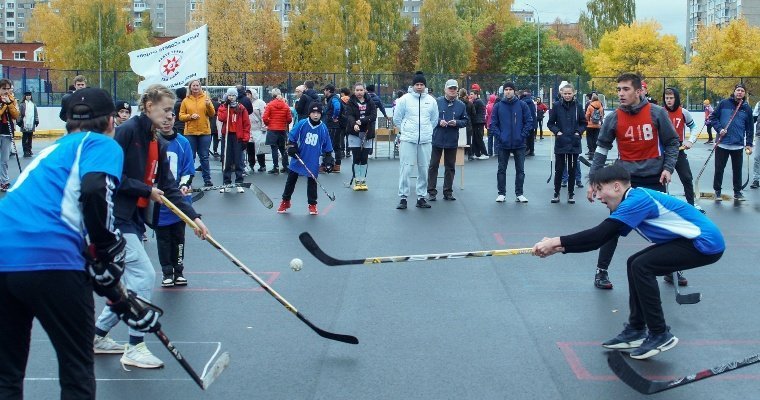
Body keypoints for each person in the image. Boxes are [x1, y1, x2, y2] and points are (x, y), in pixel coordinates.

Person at [0, 88, 162, 399]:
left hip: (4, 257)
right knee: (76, 370)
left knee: (7, 374)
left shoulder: (51, 151)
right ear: (112, 121)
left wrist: (103, 272)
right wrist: (105, 250)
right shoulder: (101, 144)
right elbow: (94, 189)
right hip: (50, 258)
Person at [533, 165, 724, 360]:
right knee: (635, 262)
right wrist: (557, 248)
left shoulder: (636, 201)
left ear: (616, 187)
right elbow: (600, 239)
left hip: (705, 243)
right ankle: (636, 330)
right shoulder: (631, 200)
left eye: (600, 189)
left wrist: (555, 242)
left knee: (642, 266)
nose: (598, 196)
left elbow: (598, 236)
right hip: (689, 240)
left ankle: (660, 334)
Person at [94, 84, 209, 370]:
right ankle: (135, 346)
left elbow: (169, 187)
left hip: (133, 219)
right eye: (167, 110)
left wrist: (194, 218)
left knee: (127, 286)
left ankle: (96, 336)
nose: (172, 116)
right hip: (113, 217)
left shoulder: (159, 141)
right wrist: (145, 189)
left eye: (173, 111)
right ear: (148, 106)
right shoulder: (128, 131)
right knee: (144, 275)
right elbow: (108, 175)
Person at [587, 73, 679, 290]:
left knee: (665, 226)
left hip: (654, 178)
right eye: (618, 89)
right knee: (614, 226)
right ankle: (601, 271)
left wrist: (668, 168)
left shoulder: (657, 113)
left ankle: (670, 268)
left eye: (626, 89)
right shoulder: (613, 118)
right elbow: (601, 149)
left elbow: (673, 142)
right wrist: (593, 180)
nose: (620, 93)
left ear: (639, 91)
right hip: (626, 182)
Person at [155, 111, 194, 287]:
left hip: (178, 199)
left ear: (174, 119)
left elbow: (188, 169)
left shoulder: (183, 142)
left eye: (169, 118)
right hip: (159, 200)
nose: (166, 122)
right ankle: (167, 272)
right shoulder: (152, 141)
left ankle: (179, 271)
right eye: (163, 119)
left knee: (178, 237)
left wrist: (184, 185)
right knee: (163, 238)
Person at [276, 104, 334, 215]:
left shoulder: (323, 128)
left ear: (321, 114)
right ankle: (285, 201)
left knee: (312, 182)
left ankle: (312, 204)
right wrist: (292, 147)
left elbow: (327, 145)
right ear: (309, 113)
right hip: (299, 157)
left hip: (313, 159)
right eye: (313, 113)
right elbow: (292, 137)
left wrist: (328, 157)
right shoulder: (302, 123)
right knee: (291, 181)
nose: (316, 115)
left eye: (318, 113)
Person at [393, 71, 439, 210]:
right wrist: (405, 130)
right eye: (417, 84)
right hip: (408, 139)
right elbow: (397, 118)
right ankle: (403, 197)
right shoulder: (404, 100)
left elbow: (434, 120)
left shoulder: (431, 101)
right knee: (406, 169)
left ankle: (421, 197)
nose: (419, 87)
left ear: (425, 86)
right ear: (413, 85)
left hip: (425, 140)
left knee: (424, 170)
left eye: (422, 84)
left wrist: (427, 131)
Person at [708, 83, 754, 201]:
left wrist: (748, 143)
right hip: (722, 143)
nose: (739, 92)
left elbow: (750, 127)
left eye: (742, 91)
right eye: (738, 90)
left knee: (737, 170)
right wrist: (719, 129)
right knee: (719, 169)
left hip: (738, 145)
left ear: (744, 94)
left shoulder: (747, 108)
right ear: (734, 92)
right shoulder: (724, 103)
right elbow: (713, 117)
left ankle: (737, 192)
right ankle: (717, 191)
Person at [490, 81, 533, 203]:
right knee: (501, 169)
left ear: (514, 91)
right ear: (503, 91)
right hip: (503, 143)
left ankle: (519, 193)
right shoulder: (498, 106)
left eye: (510, 89)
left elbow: (529, 122)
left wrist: (522, 135)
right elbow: (493, 124)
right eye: (506, 89)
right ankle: (501, 193)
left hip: (519, 143)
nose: (508, 91)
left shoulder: (522, 105)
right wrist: (500, 137)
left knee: (520, 170)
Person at [663, 87, 703, 213]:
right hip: (663, 150)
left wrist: (690, 140)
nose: (668, 100)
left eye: (671, 98)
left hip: (678, 149)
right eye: (666, 98)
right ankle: (662, 206)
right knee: (662, 179)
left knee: (687, 178)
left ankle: (691, 205)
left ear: (676, 98)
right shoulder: (660, 112)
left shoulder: (684, 112)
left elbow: (694, 128)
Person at [427, 79, 468, 202]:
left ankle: (448, 191)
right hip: (437, 138)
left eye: (454, 88)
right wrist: (439, 121)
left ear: (457, 90)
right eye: (450, 88)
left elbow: (465, 121)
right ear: (445, 89)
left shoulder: (461, 105)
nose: (452, 90)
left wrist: (456, 122)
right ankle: (431, 192)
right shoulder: (436, 102)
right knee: (433, 165)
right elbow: (430, 117)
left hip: (452, 139)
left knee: (450, 167)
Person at [547, 83, 586, 204]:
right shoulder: (556, 106)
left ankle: (571, 194)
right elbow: (550, 123)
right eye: (565, 93)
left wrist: (578, 132)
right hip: (561, 142)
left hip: (574, 143)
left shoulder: (578, 106)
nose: (567, 95)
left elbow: (583, 123)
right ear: (561, 93)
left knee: (572, 169)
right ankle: (556, 193)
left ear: (573, 93)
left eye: (569, 93)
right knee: (559, 169)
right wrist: (557, 132)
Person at [178, 79, 216, 187]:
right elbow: (181, 116)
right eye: (193, 85)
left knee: (204, 156)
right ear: (190, 87)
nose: (195, 87)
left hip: (204, 132)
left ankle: (207, 179)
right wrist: (190, 117)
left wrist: (209, 105)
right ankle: (187, 180)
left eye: (197, 85)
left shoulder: (206, 98)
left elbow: (212, 114)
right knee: (191, 157)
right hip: (190, 132)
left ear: (200, 87)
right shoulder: (185, 101)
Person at [345, 82, 377, 190]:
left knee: (364, 158)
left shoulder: (370, 101)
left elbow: (373, 115)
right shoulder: (350, 102)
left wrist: (362, 121)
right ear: (354, 91)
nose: (359, 92)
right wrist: (354, 124)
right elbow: (349, 115)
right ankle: (356, 181)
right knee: (356, 157)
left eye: (361, 90)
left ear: (365, 91)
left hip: (367, 133)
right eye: (357, 90)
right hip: (354, 133)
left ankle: (363, 180)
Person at [218, 87, 251, 192]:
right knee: (226, 160)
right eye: (229, 95)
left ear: (236, 97)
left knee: (238, 160)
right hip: (227, 136)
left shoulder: (241, 108)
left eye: (233, 95)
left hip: (238, 137)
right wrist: (225, 106)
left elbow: (246, 124)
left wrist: (245, 139)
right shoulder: (223, 107)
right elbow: (221, 118)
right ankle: (226, 183)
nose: (231, 97)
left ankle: (238, 182)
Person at [263, 88, 293, 174]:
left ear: (272, 95)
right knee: (283, 149)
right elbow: (289, 119)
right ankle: (286, 166)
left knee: (274, 149)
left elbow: (265, 117)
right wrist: (284, 123)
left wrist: (269, 123)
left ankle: (275, 167)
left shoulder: (270, 105)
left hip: (272, 129)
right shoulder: (285, 105)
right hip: (282, 129)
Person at [0, 79, 19, 191]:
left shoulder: (12, 100)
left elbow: (16, 115)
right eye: (3, 89)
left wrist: (9, 104)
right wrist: (3, 106)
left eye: (8, 88)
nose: (6, 91)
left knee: (4, 159)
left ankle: (4, 181)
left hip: (7, 132)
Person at [322, 84, 343, 172]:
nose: (324, 92)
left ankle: (327, 165)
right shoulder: (333, 98)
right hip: (335, 126)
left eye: (325, 90)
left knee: (329, 145)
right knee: (336, 146)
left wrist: (334, 117)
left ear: (328, 90)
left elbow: (337, 107)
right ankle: (337, 165)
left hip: (332, 126)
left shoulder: (334, 98)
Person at [248, 89, 268, 172]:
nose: (248, 95)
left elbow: (264, 115)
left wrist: (264, 127)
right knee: (250, 148)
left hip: (258, 129)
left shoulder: (260, 103)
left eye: (249, 93)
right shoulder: (246, 102)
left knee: (260, 148)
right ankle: (251, 164)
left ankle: (262, 165)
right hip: (249, 129)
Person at [470, 85, 489, 159]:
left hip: (479, 122)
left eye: (472, 94)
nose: (470, 96)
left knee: (479, 138)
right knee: (475, 138)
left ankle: (485, 153)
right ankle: (477, 153)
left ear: (476, 95)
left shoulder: (477, 101)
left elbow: (473, 111)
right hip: (476, 121)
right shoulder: (476, 101)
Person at [17, 91, 38, 157]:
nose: (28, 96)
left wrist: (36, 120)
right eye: (27, 95)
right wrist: (19, 121)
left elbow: (36, 114)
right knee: (25, 137)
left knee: (30, 137)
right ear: (25, 97)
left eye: (29, 95)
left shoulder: (33, 104)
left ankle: (29, 149)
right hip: (24, 123)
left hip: (31, 123)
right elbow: (19, 114)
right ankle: (25, 150)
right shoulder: (22, 104)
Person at [585, 93, 604, 158]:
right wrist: (600, 122)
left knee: (589, 138)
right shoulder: (601, 106)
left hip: (590, 125)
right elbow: (602, 115)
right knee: (596, 137)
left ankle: (591, 151)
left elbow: (587, 115)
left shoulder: (590, 106)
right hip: (597, 125)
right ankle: (595, 151)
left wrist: (588, 121)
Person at [520, 90, 538, 156]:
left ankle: (526, 150)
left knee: (526, 137)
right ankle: (532, 151)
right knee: (531, 138)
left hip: (526, 123)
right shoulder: (532, 102)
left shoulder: (522, 103)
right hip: (533, 122)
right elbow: (534, 111)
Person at [460, 89, 476, 161]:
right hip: (468, 122)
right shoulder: (470, 103)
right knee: (469, 139)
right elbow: (474, 113)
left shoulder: (458, 103)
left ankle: (458, 154)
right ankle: (470, 154)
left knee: (459, 139)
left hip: (460, 122)